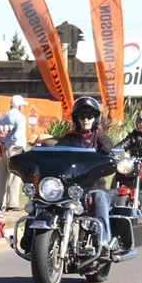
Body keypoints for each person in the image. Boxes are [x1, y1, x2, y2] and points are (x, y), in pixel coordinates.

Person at [54, 96, 115, 252]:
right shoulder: (68, 138)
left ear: (95, 118)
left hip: (94, 187)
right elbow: (55, 154)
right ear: (77, 119)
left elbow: (113, 155)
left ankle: (102, 242)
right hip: (70, 189)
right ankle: (32, 239)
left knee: (100, 197)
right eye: (82, 117)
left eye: (90, 116)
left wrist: (112, 157)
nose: (86, 120)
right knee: (43, 198)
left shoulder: (101, 139)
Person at [0, 95, 28, 211]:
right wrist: (8, 144)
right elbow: (17, 135)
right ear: (19, 106)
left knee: (1, 177)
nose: (23, 107)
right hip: (14, 148)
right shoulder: (20, 117)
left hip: (1, 148)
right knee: (14, 176)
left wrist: (1, 145)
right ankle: (12, 203)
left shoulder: (4, 116)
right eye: (23, 105)